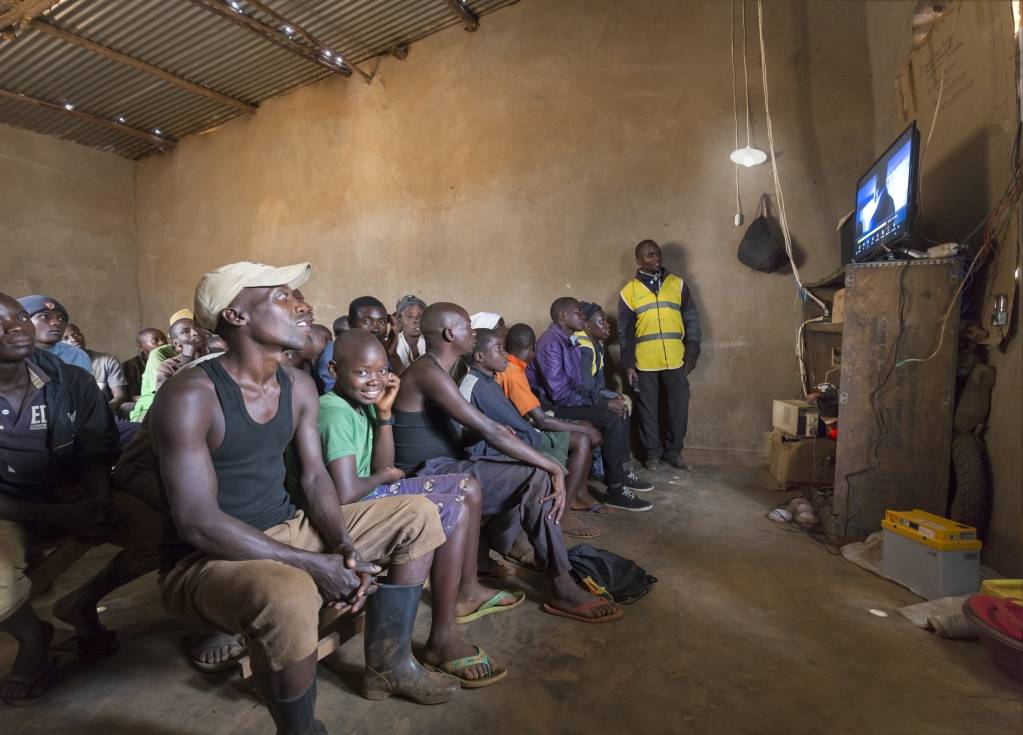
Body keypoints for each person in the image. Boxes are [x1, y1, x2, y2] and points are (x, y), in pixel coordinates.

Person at [149, 262, 456, 734]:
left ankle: (388, 665)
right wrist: (312, 565)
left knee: (417, 513)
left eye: (297, 296)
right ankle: (300, 728)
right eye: (281, 297)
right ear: (235, 315)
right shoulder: (191, 394)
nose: (303, 306)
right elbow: (196, 522)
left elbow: (315, 479)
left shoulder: (298, 385)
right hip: (208, 559)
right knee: (289, 592)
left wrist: (343, 545)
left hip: (288, 530)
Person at [311, 329, 518, 687]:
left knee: (466, 487)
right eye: (362, 372)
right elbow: (345, 492)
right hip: (346, 513)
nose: (374, 380)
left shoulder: (362, 407)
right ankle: (441, 636)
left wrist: (386, 414)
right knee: (454, 493)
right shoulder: (334, 412)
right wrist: (384, 477)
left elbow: (384, 465)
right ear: (333, 369)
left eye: (381, 370)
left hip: (368, 496)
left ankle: (456, 608)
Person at [392, 302, 622, 623]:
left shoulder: (440, 370)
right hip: (427, 475)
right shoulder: (429, 372)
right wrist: (552, 465)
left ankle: (554, 577)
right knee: (538, 473)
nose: (472, 332)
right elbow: (489, 430)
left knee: (531, 471)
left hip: (444, 465)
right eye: (467, 328)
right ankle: (559, 583)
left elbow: (461, 431)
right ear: (449, 334)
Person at [0, 292, 161, 706]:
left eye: (19, 317)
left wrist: (98, 498)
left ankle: (82, 602)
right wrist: (64, 515)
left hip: (71, 493)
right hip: (9, 505)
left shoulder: (69, 379)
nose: (14, 327)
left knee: (159, 535)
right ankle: (33, 636)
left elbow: (95, 447)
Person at [468, 329, 602, 538]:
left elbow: (510, 418)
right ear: (479, 356)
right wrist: (532, 432)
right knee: (579, 439)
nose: (505, 355)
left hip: (521, 433)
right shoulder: (492, 380)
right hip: (513, 441)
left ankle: (575, 497)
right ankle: (561, 512)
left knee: (579, 432)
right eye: (499, 349)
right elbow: (519, 424)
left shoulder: (490, 377)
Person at [533, 298, 654, 512]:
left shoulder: (568, 340)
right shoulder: (550, 343)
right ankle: (615, 489)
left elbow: (580, 385)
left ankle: (617, 478)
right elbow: (559, 393)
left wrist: (605, 401)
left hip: (566, 401)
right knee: (611, 418)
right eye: (578, 312)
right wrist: (602, 404)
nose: (582, 317)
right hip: (552, 406)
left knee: (616, 410)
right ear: (563, 316)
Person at [618, 240, 701, 471]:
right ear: (638, 261)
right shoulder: (629, 292)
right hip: (645, 361)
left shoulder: (678, 285)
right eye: (649, 255)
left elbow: (692, 320)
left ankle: (674, 452)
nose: (655, 258)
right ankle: (652, 455)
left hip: (676, 359)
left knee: (678, 407)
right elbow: (624, 332)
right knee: (648, 409)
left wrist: (692, 353)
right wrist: (628, 364)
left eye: (657, 254)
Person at [129, 310, 201, 421]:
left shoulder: (209, 350)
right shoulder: (163, 359)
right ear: (174, 342)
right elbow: (166, 395)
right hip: (153, 407)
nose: (195, 333)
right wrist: (187, 357)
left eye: (198, 328)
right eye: (186, 331)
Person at [62, 323, 130, 413]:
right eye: (65, 338)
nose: (74, 340)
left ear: (82, 336)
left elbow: (120, 395)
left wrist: (104, 409)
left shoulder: (107, 361)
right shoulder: (57, 365)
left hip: (103, 413)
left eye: (76, 335)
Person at [15, 296, 91, 373]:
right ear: (22, 321)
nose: (56, 322)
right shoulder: (8, 353)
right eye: (44, 317)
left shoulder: (76, 356)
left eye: (61, 318)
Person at [121, 327, 167, 407]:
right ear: (141, 345)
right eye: (155, 341)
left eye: (164, 339)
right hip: (144, 402)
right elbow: (131, 396)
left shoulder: (171, 360)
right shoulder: (131, 365)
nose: (162, 343)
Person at [393, 295, 426, 372]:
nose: (416, 320)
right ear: (399, 321)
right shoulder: (393, 345)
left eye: (420, 316)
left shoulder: (425, 345)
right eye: (409, 316)